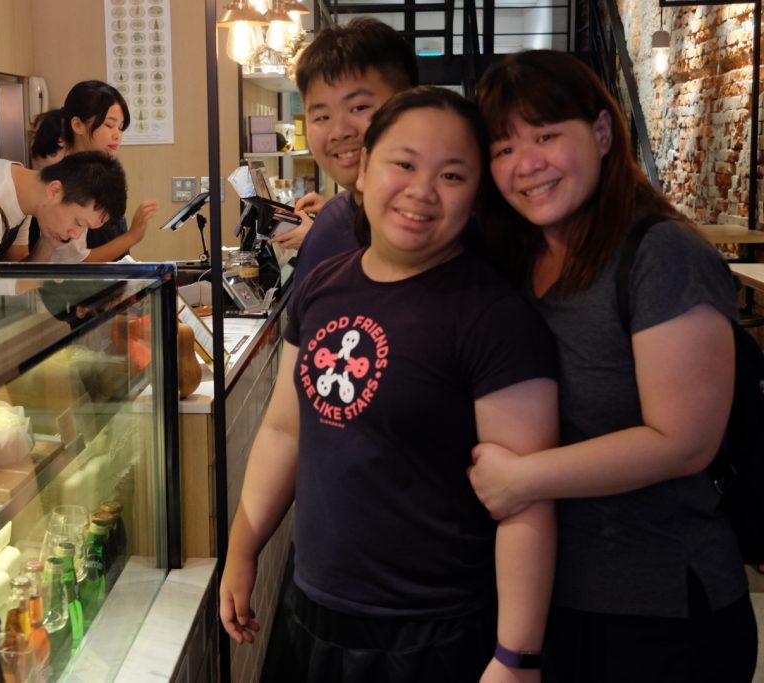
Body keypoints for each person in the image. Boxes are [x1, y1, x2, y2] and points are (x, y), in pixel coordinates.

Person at [220, 87, 560, 682]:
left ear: (476, 195)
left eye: (452, 175)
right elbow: (284, 430)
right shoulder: (322, 285)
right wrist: (242, 548)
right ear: (364, 168)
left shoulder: (495, 318)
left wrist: (516, 656)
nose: (422, 190)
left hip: (432, 633)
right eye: (403, 163)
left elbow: (525, 502)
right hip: (312, 607)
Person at [469, 50, 757, 683]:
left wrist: (522, 479)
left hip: (659, 610)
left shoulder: (661, 253)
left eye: (546, 135)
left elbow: (684, 441)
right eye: (503, 148)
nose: (526, 164)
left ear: (602, 132)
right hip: (550, 599)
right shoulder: (519, 255)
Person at [282, 17, 417, 292]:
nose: (339, 132)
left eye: (359, 107)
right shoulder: (330, 221)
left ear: (411, 104)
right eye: (322, 116)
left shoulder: (445, 224)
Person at [38, 80, 157, 261]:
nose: (117, 135)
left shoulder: (102, 174)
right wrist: (132, 236)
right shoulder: (63, 183)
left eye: (120, 127)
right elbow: (74, 262)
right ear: (78, 125)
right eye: (109, 125)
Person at [0, 151, 126, 263]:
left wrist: (47, 245)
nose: (75, 235)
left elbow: (16, 269)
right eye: (79, 223)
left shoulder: (24, 193)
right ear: (55, 191)